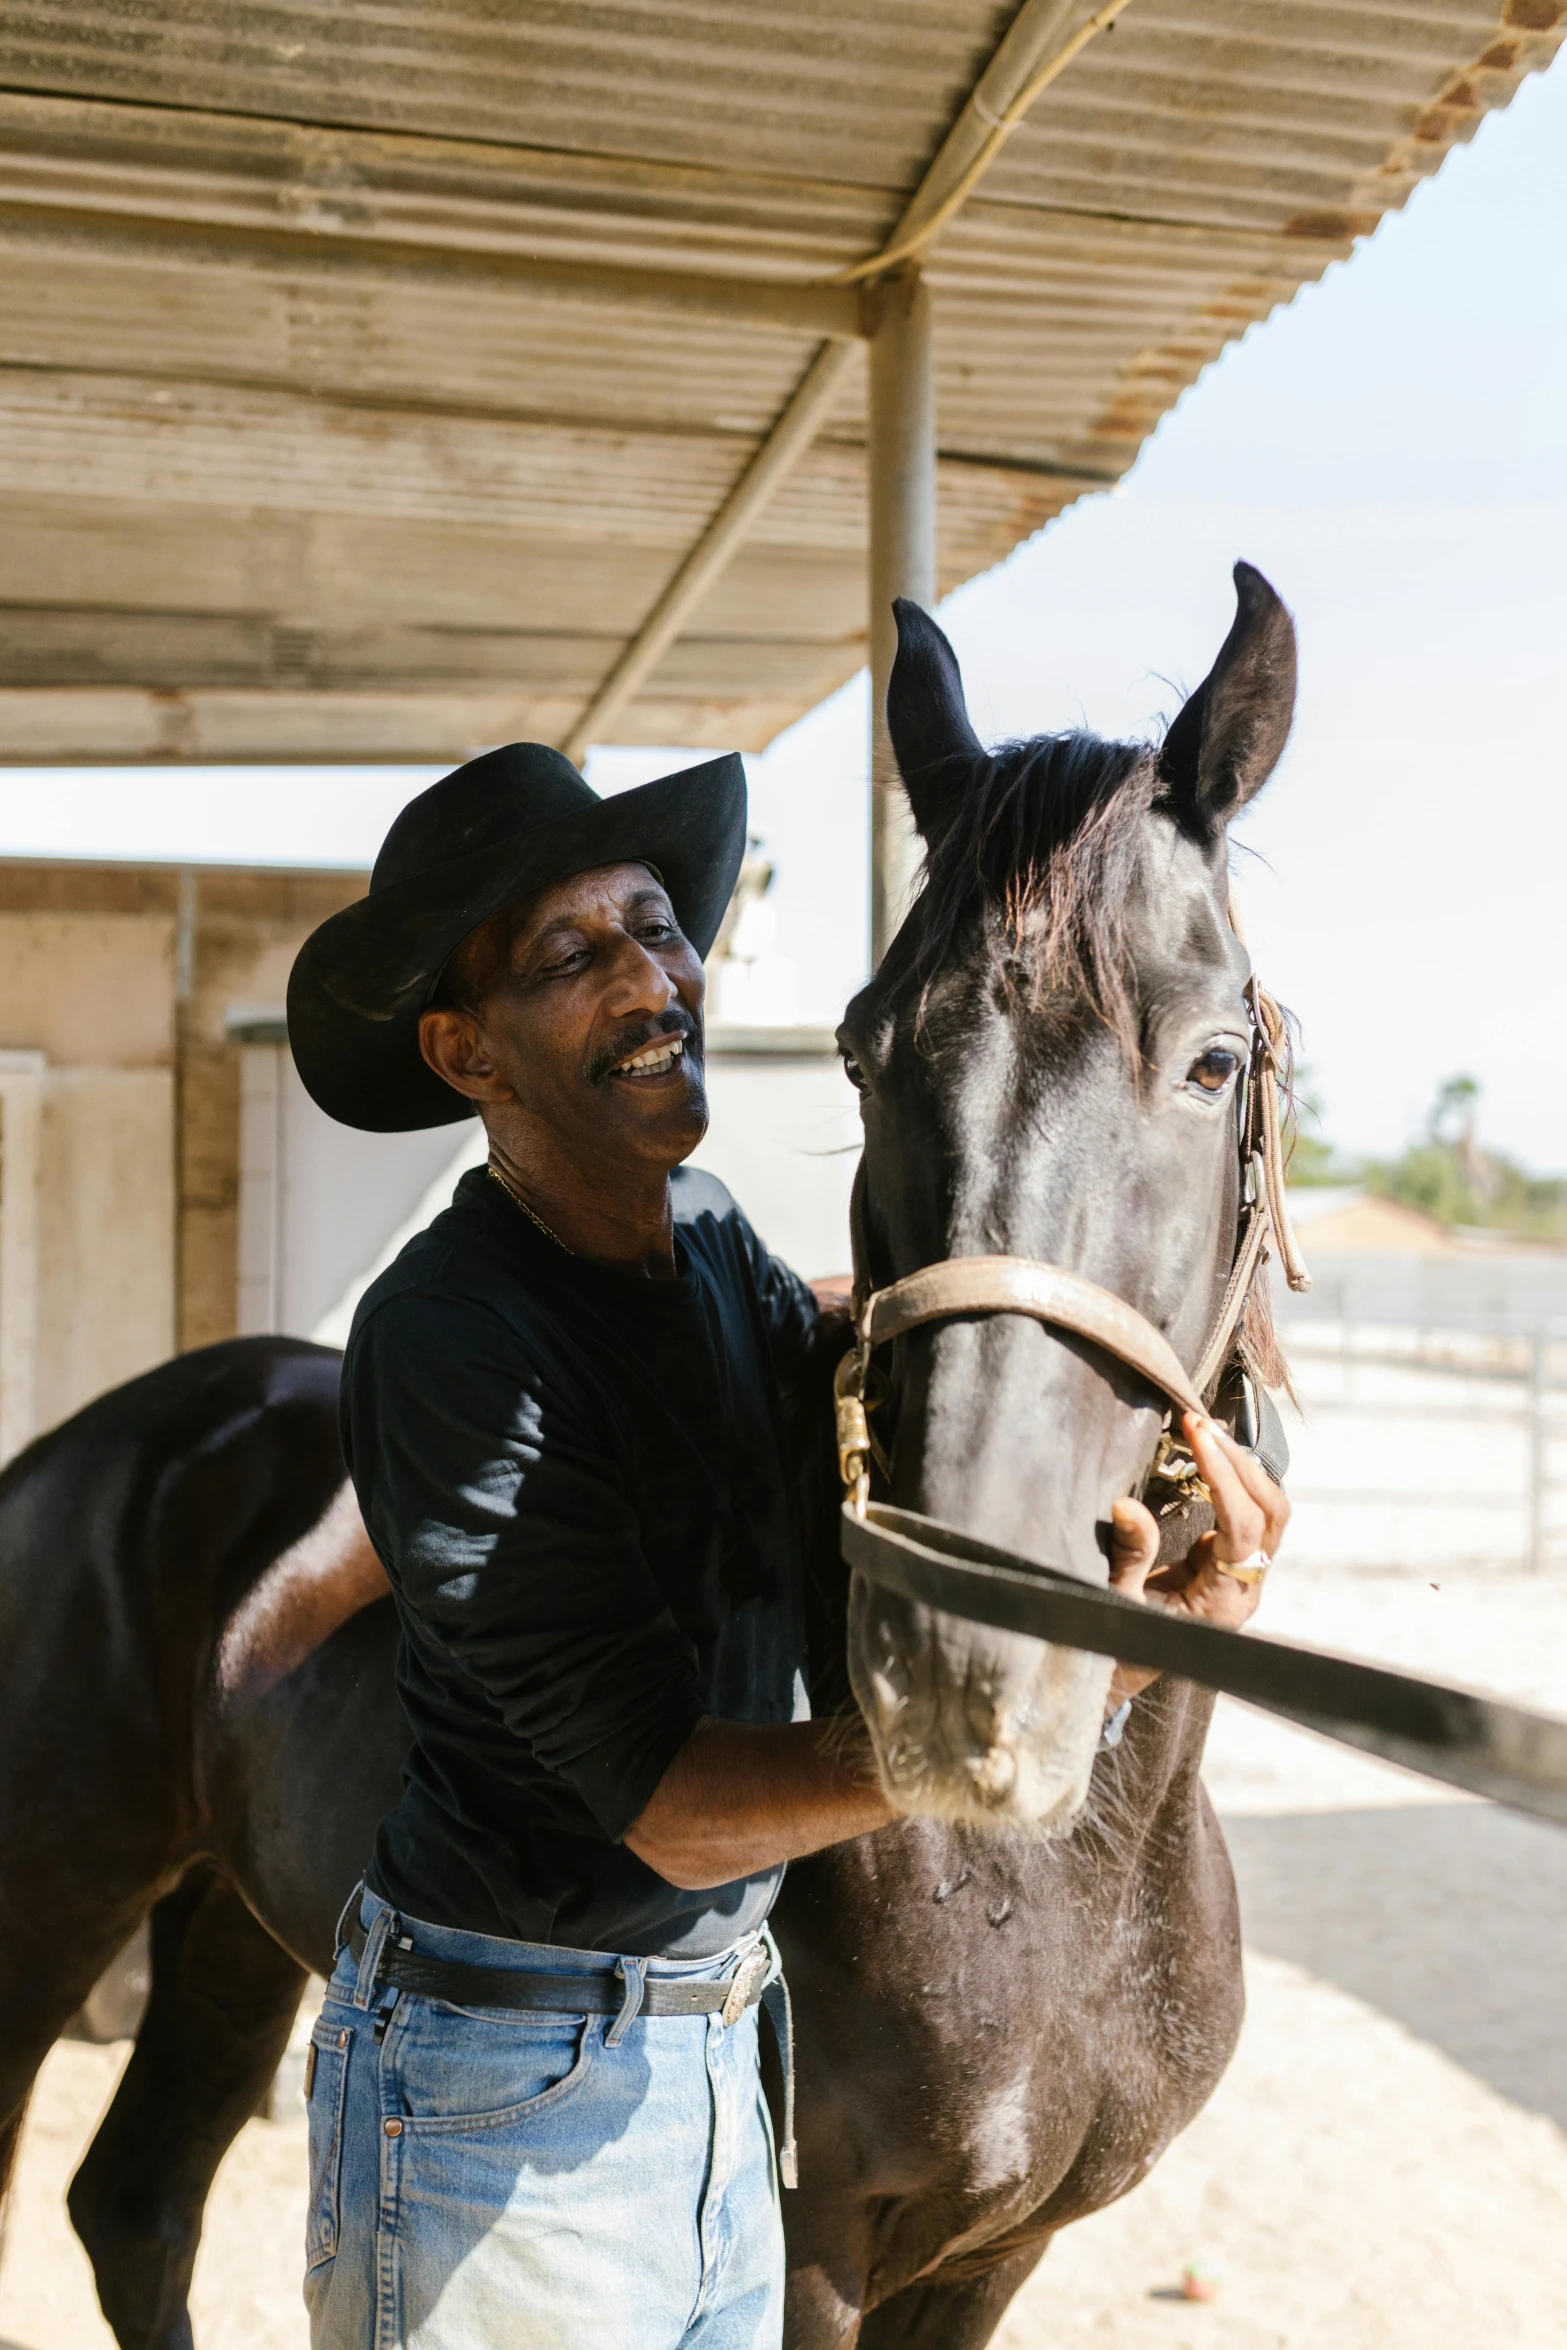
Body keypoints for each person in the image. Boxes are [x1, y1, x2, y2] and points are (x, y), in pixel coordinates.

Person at [285, 740, 1284, 2350]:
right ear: (467, 1052)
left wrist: (1140, 1480)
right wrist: (1045, 1698)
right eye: (572, 954)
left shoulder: (709, 1252)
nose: (651, 978)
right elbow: (676, 1816)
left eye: (657, 924)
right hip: (503, 2096)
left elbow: (869, 1372)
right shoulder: (453, 1339)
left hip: (715, 2064)